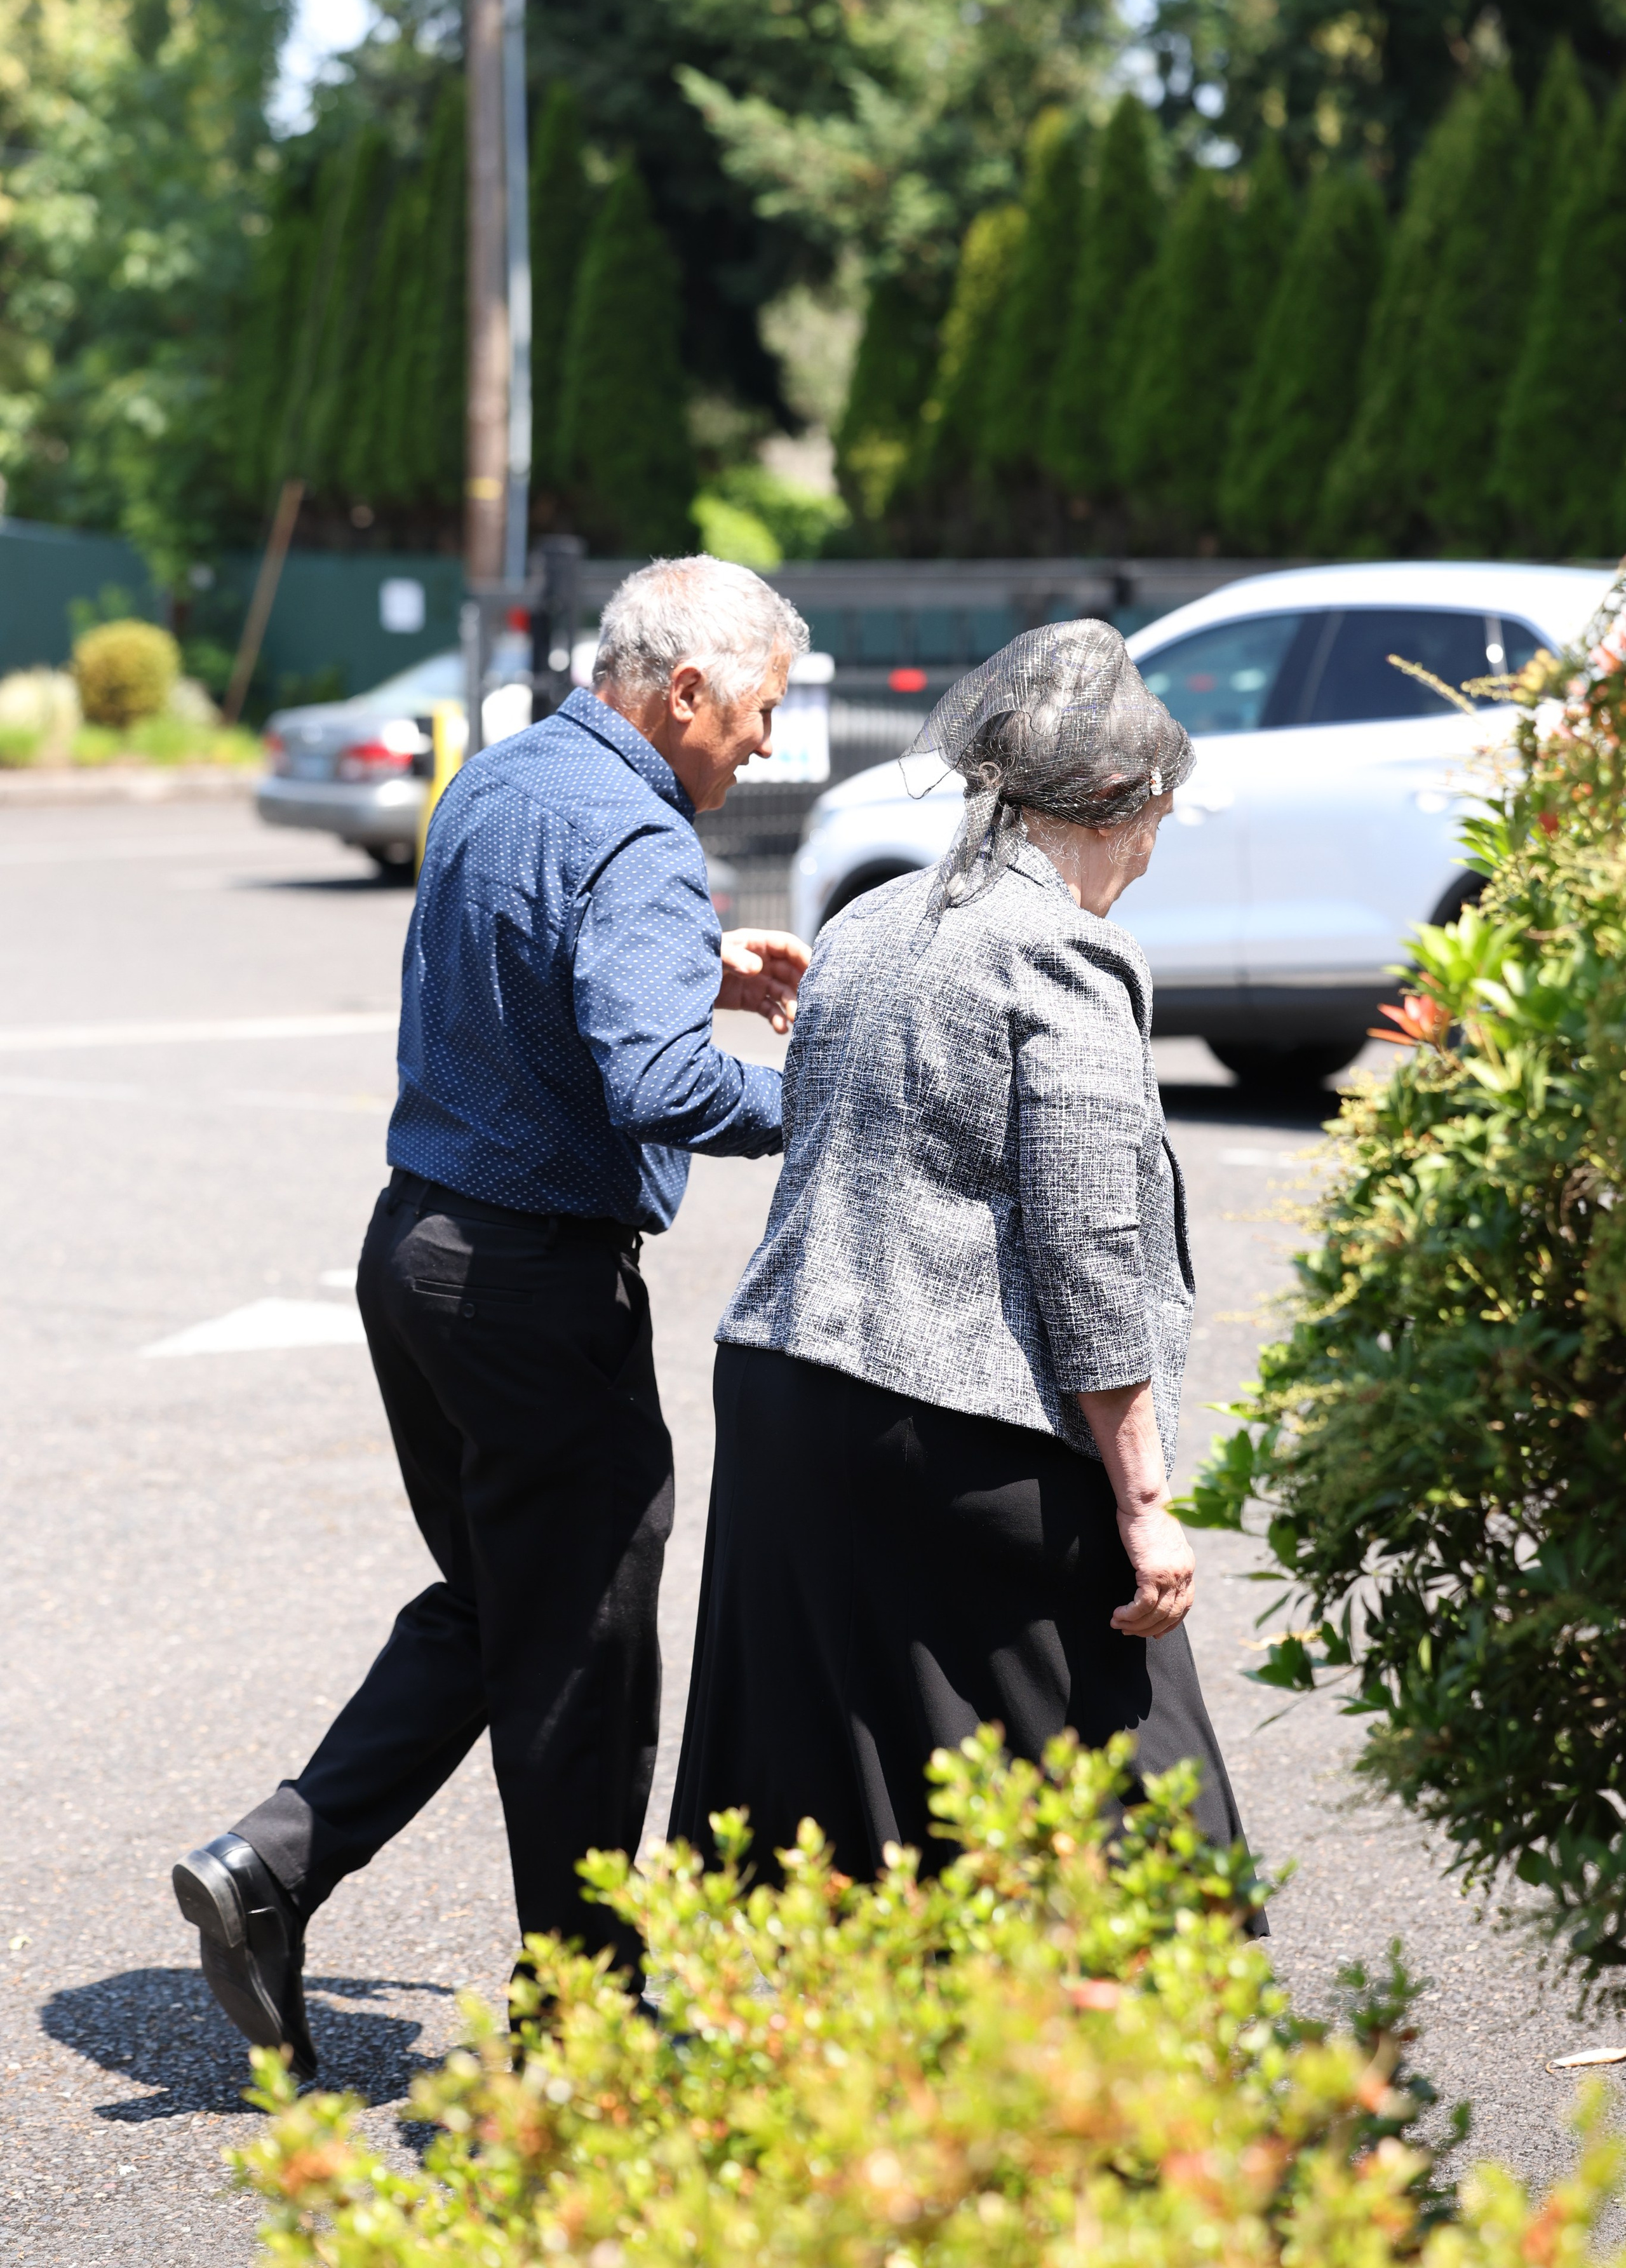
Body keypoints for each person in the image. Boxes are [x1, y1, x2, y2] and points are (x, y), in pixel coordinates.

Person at [173, 556, 812, 2078]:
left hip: (416, 1257)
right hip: (532, 1288)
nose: (767, 747)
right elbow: (655, 1085)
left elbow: (515, 964)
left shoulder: (503, 777)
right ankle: (584, 2023)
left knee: (497, 1609)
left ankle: (269, 1867)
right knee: (583, 1650)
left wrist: (688, 967)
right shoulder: (645, 838)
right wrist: (835, 1096)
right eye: (761, 715)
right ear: (684, 695)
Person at [669, 619, 1251, 1882]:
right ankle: (1122, 2059)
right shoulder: (1065, 951)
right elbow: (1088, 1248)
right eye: (1155, 823)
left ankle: (826, 2059)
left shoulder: (870, 921)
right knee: (1123, 1764)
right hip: (943, 1417)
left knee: (841, 1790)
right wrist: (1145, 1505)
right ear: (1118, 804)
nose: (1149, 858)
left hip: (781, 1393)